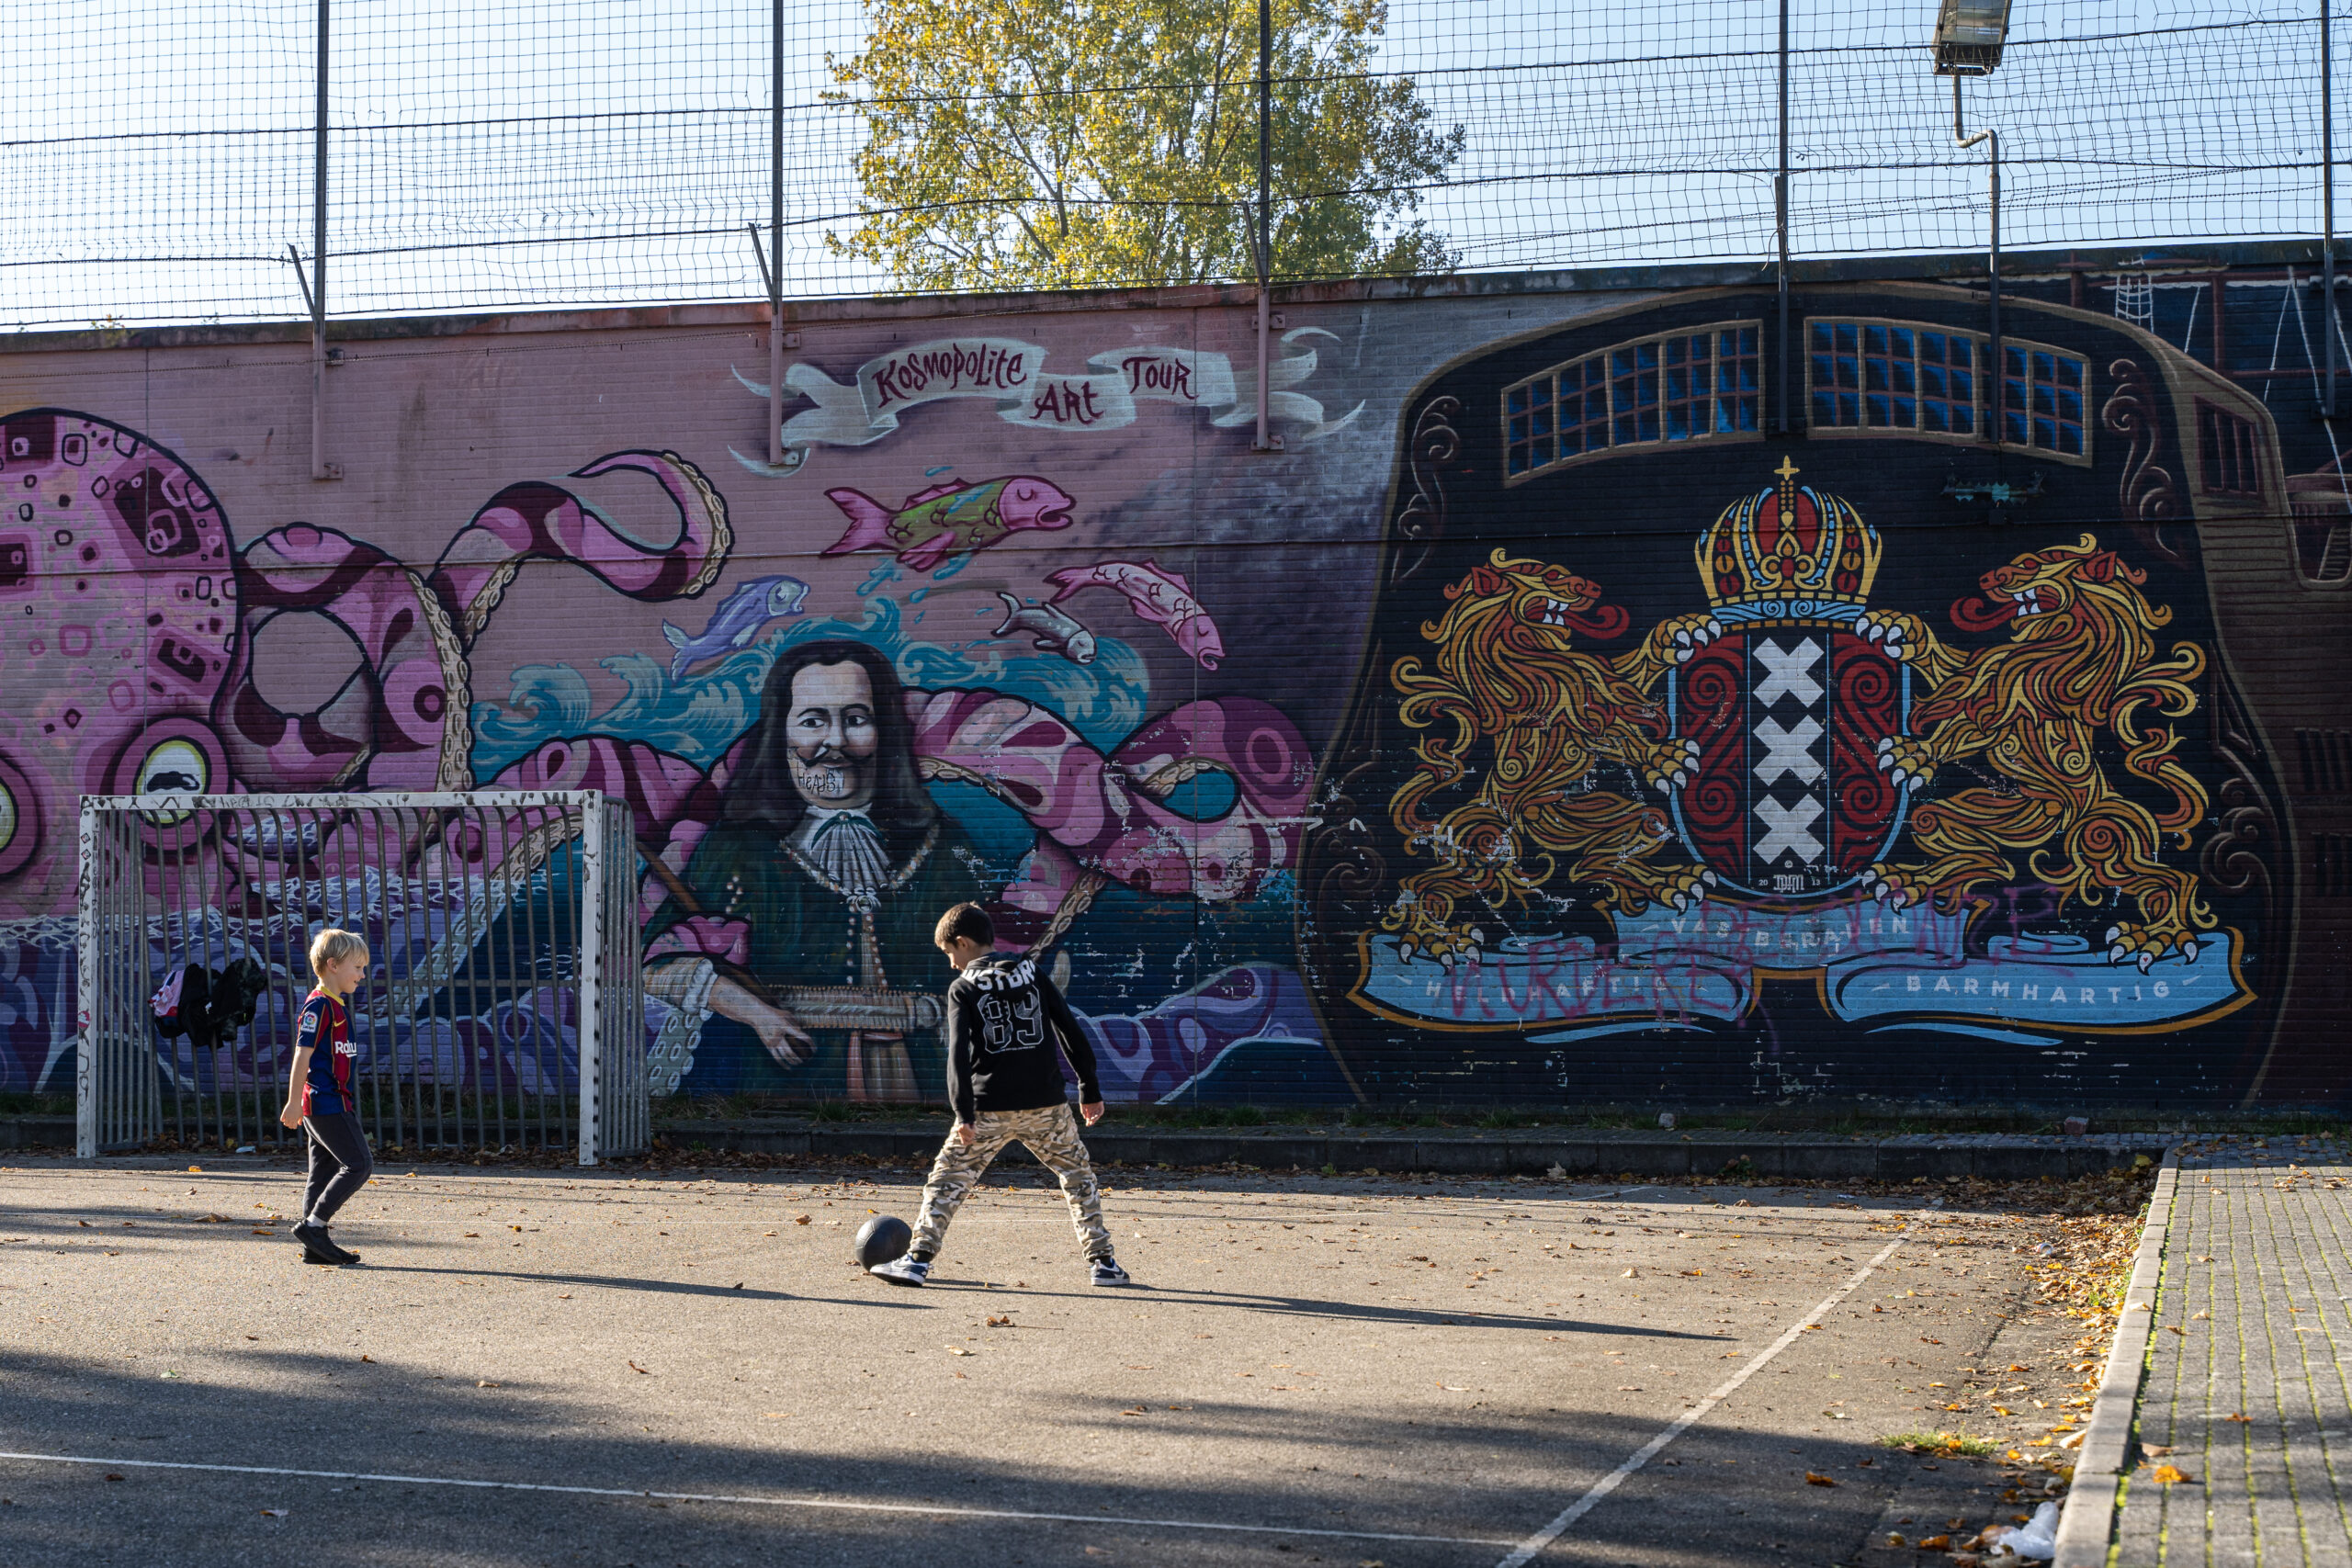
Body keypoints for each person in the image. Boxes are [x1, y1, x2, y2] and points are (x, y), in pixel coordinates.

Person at [642, 640, 986, 1100]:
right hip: (787, 1077)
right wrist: (756, 1014)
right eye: (813, 721)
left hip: (929, 1073)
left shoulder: (943, 845)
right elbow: (657, 963)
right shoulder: (738, 849)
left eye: (856, 719)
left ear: (884, 731)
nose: (836, 741)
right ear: (780, 733)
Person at [870, 902, 1130, 1288]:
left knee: (948, 1179)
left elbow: (957, 1054)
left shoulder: (964, 987)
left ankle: (917, 1262)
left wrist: (963, 1113)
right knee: (1077, 1176)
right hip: (1046, 1103)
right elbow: (1069, 1029)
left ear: (963, 942)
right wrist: (1088, 1088)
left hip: (989, 1106)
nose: (952, 964)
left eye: (950, 953)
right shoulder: (1031, 972)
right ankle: (1104, 1264)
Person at [277, 927, 372, 1266]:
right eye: (357, 967)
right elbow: (301, 1055)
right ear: (333, 965)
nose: (362, 975)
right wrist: (293, 1102)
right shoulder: (319, 1006)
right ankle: (313, 1227)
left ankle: (314, 1247)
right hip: (325, 1103)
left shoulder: (335, 1004)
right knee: (359, 1164)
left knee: (322, 1172)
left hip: (328, 1102)